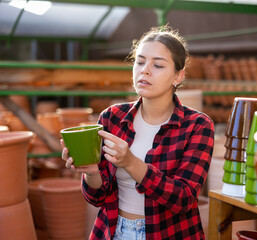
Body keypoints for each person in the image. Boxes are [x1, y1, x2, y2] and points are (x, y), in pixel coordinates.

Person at [61, 25, 214, 240]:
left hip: (170, 234)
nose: (145, 70)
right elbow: (97, 197)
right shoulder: (112, 117)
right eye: (140, 62)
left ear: (178, 76)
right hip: (114, 231)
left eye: (158, 65)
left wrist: (131, 163)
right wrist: (91, 172)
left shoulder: (197, 125)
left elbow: (183, 199)